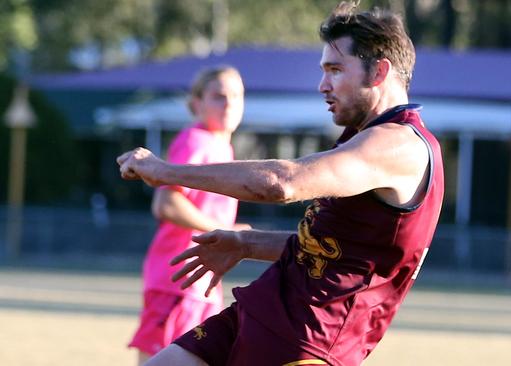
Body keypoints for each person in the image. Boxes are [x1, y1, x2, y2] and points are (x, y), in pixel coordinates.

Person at [117, 1, 444, 365]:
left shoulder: (397, 144)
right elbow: (336, 248)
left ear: (379, 72)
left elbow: (283, 182)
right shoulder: (363, 139)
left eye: (335, 70)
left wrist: (165, 171)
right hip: (261, 312)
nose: (323, 85)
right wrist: (245, 242)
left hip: (304, 343)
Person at [128, 65, 251, 365]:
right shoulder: (197, 140)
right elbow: (166, 204)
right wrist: (227, 233)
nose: (230, 103)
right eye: (219, 96)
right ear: (197, 103)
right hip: (177, 281)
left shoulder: (223, 146)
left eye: (236, 95)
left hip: (200, 283)